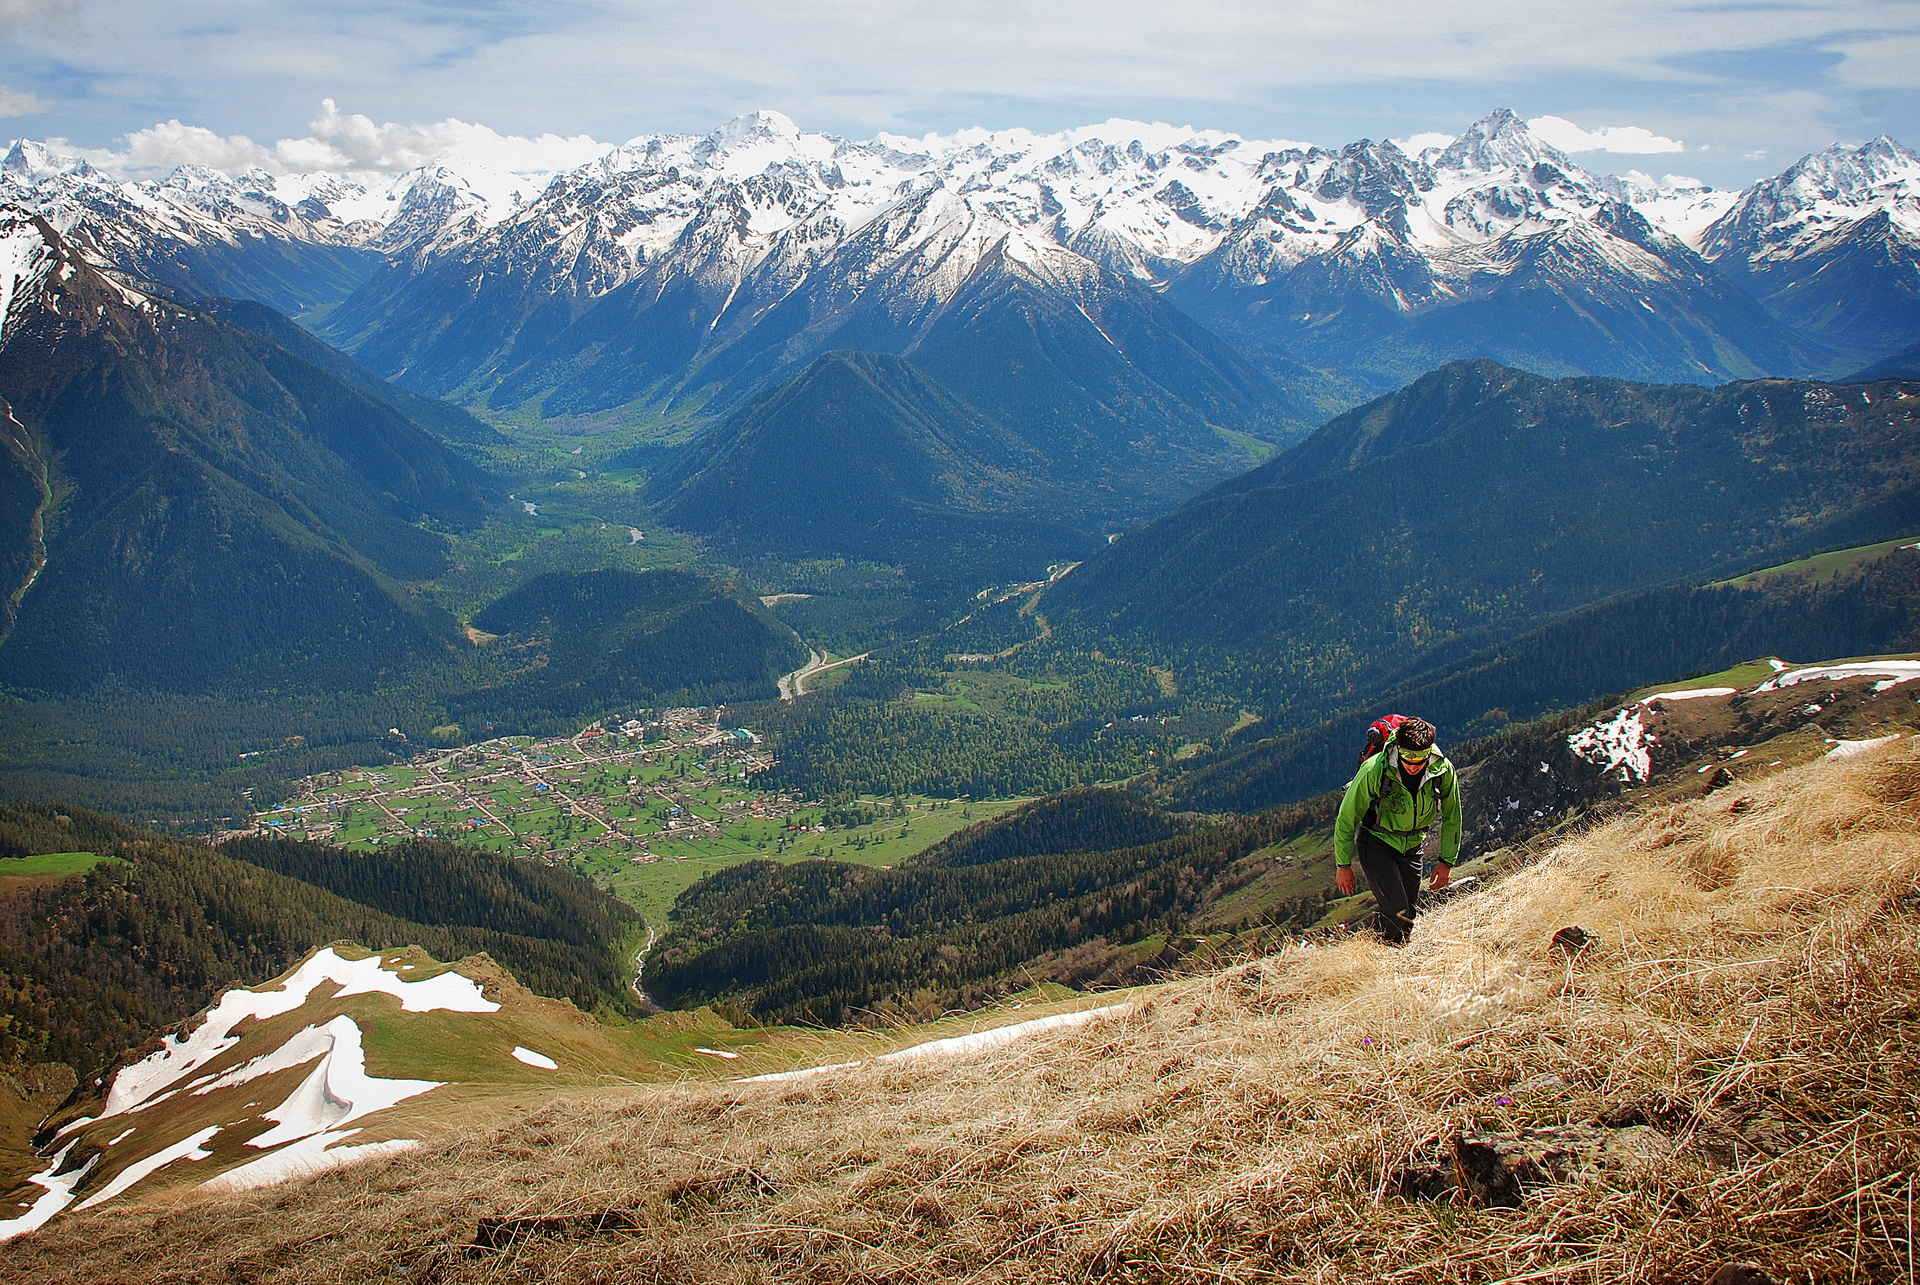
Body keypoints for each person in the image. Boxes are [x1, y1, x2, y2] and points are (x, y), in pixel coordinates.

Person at [1332, 716, 1462, 945]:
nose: (1413, 767)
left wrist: (1446, 862)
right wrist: (1343, 865)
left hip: (1413, 846)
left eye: (1420, 761)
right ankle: (1389, 956)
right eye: (1408, 760)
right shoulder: (1374, 770)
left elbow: (1453, 815)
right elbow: (1347, 817)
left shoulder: (1442, 770)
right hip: (1376, 843)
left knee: (1408, 914)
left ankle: (1378, 950)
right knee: (1398, 910)